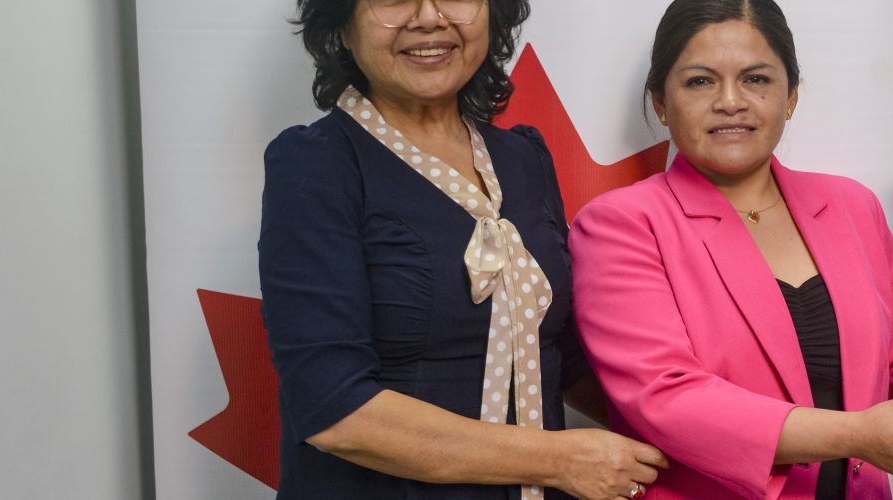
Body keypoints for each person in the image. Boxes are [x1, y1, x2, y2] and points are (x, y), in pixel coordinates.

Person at [567, 1, 893, 498]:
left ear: (790, 96)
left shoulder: (851, 205)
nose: (730, 102)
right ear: (660, 102)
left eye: (756, 79)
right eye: (700, 81)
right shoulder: (621, 224)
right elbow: (666, 398)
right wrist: (856, 435)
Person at [259, 0, 667, 498]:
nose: (429, 17)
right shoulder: (317, 164)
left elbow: (563, 357)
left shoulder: (522, 158)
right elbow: (333, 408)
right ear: (342, 25)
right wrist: (559, 460)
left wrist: (701, 431)